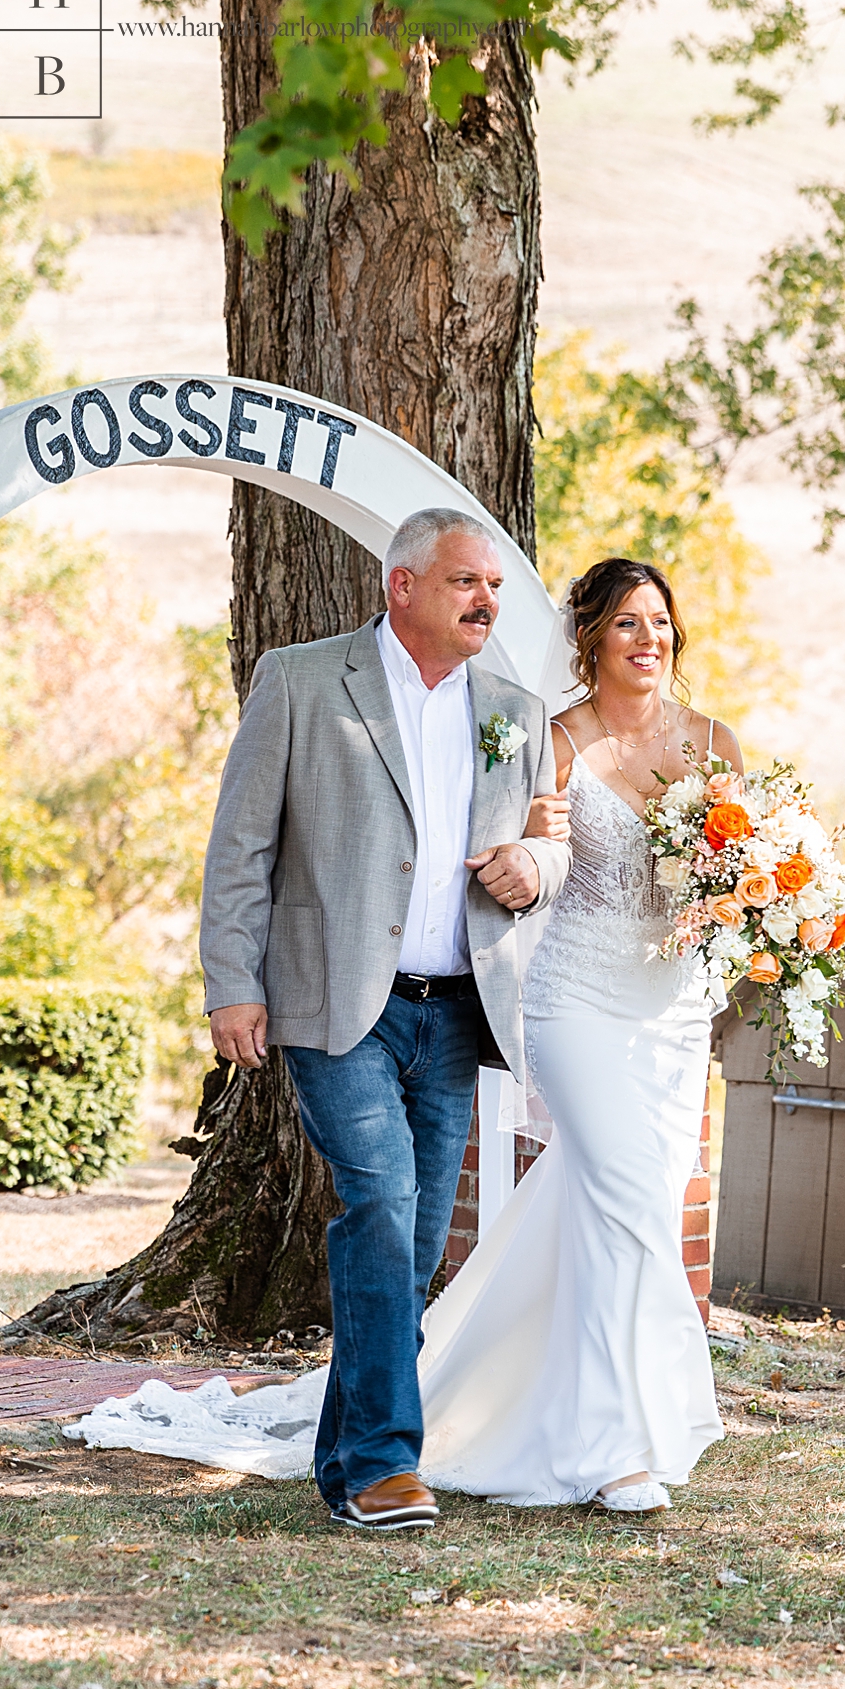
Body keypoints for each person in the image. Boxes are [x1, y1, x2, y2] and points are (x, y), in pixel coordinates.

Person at [199, 507, 571, 1533]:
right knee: (382, 1200)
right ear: (402, 585)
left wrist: (530, 866)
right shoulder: (304, 678)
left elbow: (553, 842)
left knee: (407, 1245)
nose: (486, 601)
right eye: (465, 583)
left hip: (456, 1009)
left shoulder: (514, 707)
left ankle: (343, 1457)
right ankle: (384, 1467)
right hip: (336, 1003)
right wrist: (232, 978)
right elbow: (241, 843)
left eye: (493, 585)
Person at [415, 555, 735, 1511]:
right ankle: (607, 1448)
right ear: (590, 637)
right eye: (628, 623)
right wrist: (522, 849)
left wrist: (754, 906)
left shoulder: (714, 741)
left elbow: (744, 871)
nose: (650, 639)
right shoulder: (552, 742)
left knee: (621, 1210)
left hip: (676, 1015)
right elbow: (531, 843)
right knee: (630, 1200)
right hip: (577, 1006)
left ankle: (605, 1406)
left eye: (661, 622)